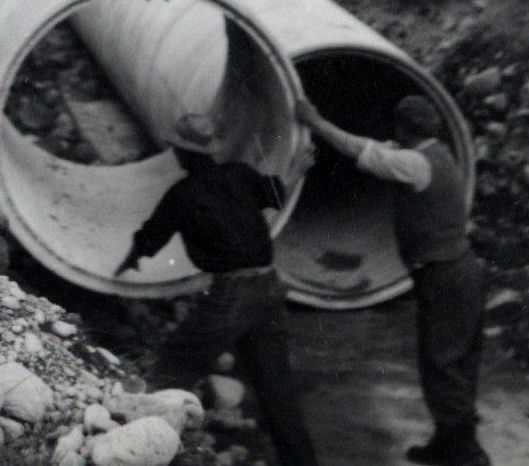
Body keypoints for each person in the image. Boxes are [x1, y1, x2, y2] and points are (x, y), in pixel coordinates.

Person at [295, 94, 488, 466]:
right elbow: (377, 148)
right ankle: (450, 440)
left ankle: (467, 454)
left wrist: (317, 123)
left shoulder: (413, 163)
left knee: (441, 364)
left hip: (444, 274)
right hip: (464, 267)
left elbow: (361, 149)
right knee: (460, 360)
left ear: (405, 128)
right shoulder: (439, 154)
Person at [116, 113, 319, 466]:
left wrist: (127, 263)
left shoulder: (183, 194)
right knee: (276, 388)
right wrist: (297, 166)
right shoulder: (240, 174)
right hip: (270, 287)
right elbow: (275, 192)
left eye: (177, 149)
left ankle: (147, 450)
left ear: (184, 154)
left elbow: (151, 238)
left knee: (171, 365)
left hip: (232, 293)